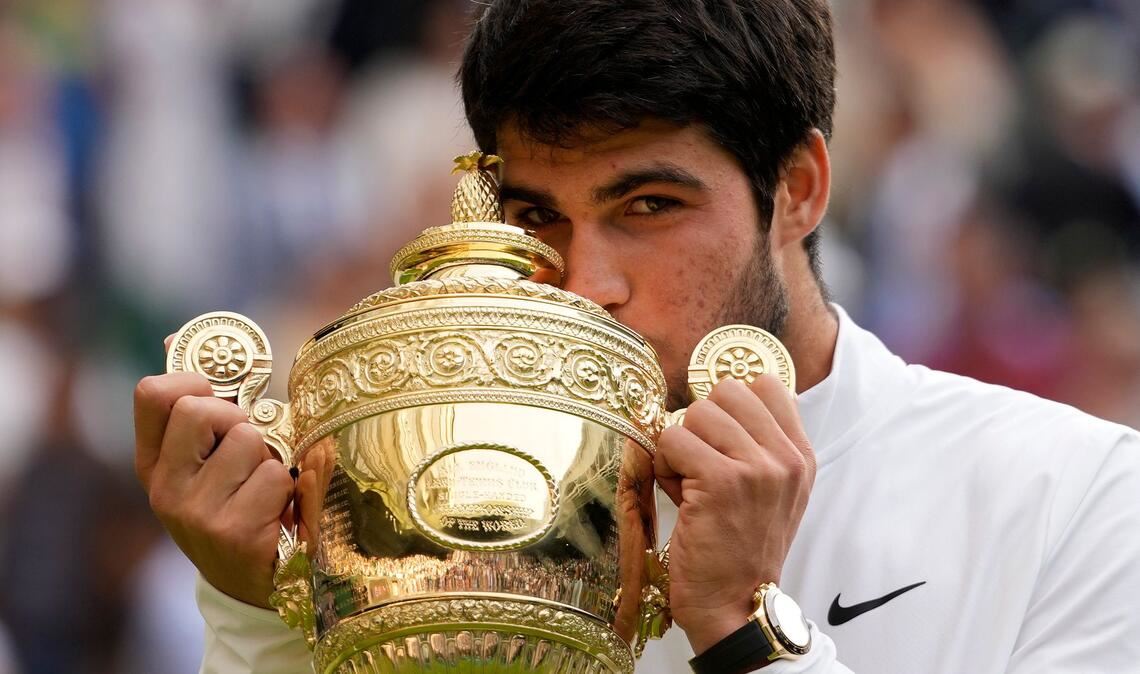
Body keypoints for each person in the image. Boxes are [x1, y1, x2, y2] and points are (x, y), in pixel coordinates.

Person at [132, 1, 1140, 672]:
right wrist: (266, 602)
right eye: (536, 217)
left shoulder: (1077, 494)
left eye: (649, 204)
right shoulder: (430, 510)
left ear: (798, 189)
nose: (589, 281)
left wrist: (743, 632)